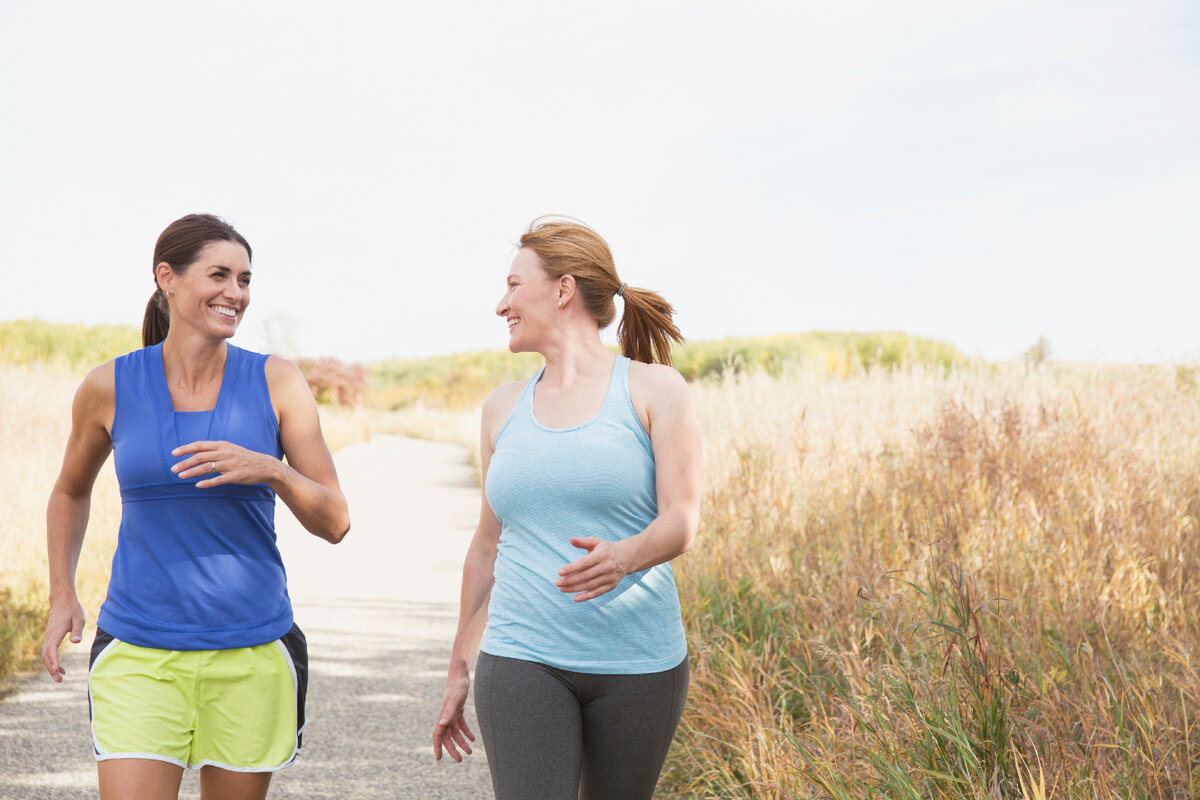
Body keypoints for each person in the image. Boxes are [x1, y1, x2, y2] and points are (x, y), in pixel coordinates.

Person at [41, 213, 350, 800]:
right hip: (138, 648)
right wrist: (62, 593)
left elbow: (336, 519)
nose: (236, 293)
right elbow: (69, 490)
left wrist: (271, 469)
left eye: (245, 279)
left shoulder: (276, 381)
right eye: (220, 276)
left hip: (252, 651)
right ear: (169, 279)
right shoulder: (108, 386)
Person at [432, 217, 702, 799]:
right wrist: (459, 663)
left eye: (512, 285)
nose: (501, 304)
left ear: (563, 289)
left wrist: (625, 556)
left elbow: (681, 520)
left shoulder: (655, 390)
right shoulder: (501, 408)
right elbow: (486, 544)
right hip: (522, 656)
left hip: (640, 662)